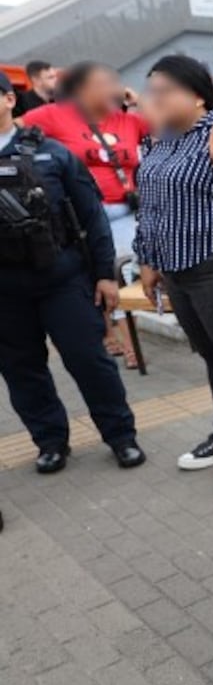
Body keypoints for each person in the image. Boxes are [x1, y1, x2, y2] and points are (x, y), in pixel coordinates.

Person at [0, 71, 145, 473]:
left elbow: (91, 215)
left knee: (88, 359)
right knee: (21, 370)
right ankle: (50, 442)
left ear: (10, 99)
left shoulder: (53, 153)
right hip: (6, 290)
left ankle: (120, 436)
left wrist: (103, 275)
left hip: (61, 278)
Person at [133, 55, 213, 494]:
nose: (155, 100)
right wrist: (147, 262)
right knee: (210, 355)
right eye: (151, 91)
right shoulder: (157, 142)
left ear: (197, 94)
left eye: (164, 90)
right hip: (175, 272)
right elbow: (147, 207)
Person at [21, 61, 152, 369]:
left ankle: (123, 334)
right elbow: (14, 131)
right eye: (103, 82)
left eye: (114, 81)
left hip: (123, 212)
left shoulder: (127, 121)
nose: (112, 88)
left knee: (122, 272)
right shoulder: (53, 115)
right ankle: (115, 336)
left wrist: (137, 100)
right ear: (81, 88)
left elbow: (164, 121)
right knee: (96, 276)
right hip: (79, 217)